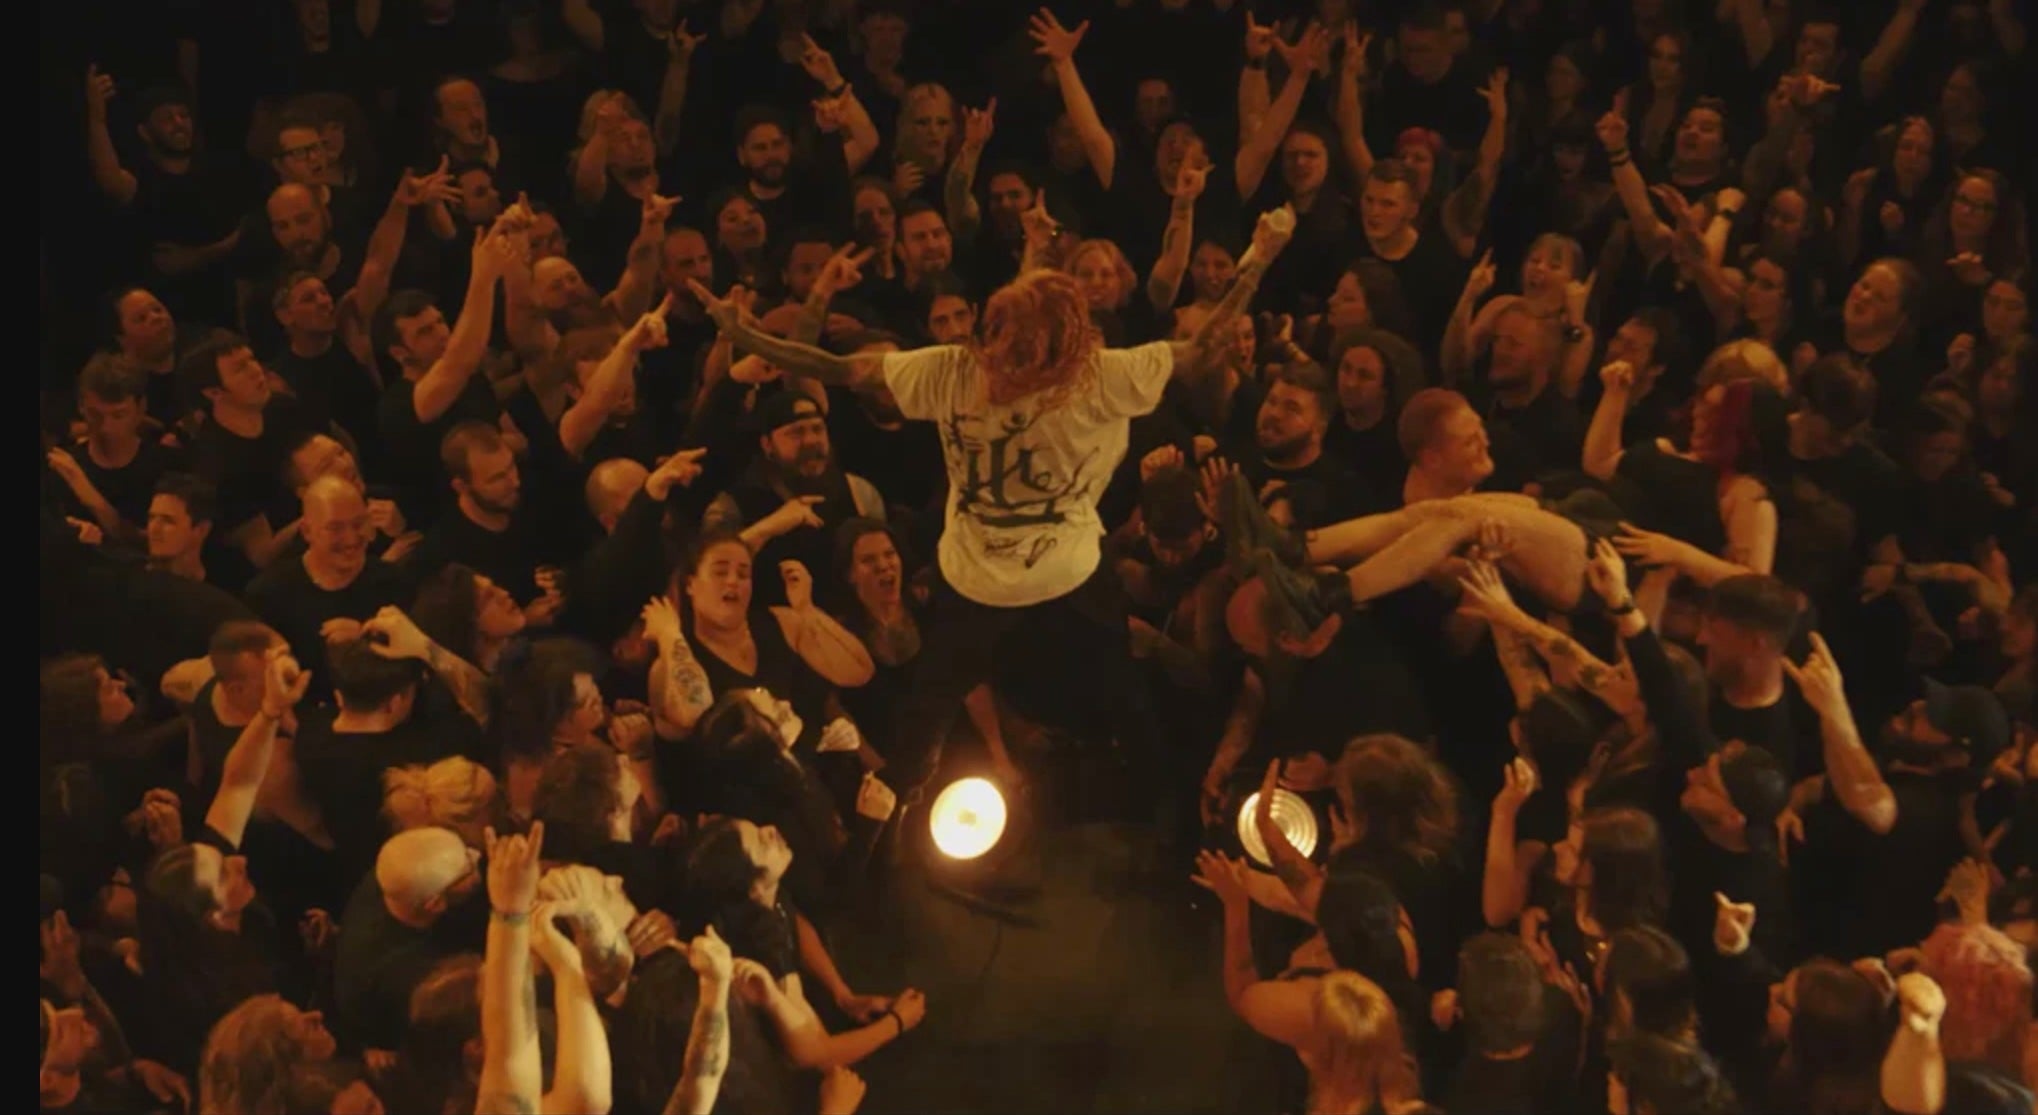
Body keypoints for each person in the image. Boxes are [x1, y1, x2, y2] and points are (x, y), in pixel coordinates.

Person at [685, 204, 1297, 800]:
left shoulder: (957, 371)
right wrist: (1258, 260)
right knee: (1110, 685)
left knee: (944, 700)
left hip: (992, 575)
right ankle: (1155, 797)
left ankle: (896, 804)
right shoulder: (1101, 374)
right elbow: (1207, 348)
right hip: (1052, 570)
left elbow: (837, 367)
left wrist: (744, 334)